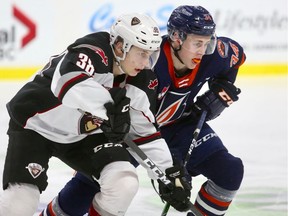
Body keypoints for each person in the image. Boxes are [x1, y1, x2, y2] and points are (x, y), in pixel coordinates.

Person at [39, 5, 246, 216]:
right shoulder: (146, 60)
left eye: (208, 42)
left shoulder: (214, 55)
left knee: (229, 172)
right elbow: (105, 98)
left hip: (179, 126)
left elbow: (236, 57)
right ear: (177, 38)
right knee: (88, 187)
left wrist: (221, 91)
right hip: (133, 130)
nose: (203, 51)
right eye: (197, 43)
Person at [0, 13, 192, 216]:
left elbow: (145, 133)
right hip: (35, 126)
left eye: (151, 55)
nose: (146, 63)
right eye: (142, 53)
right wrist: (110, 107)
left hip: (85, 135)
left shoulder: (141, 81)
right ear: (120, 46)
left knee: (124, 182)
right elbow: (66, 83)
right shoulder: (93, 49)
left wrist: (168, 174)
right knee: (19, 203)